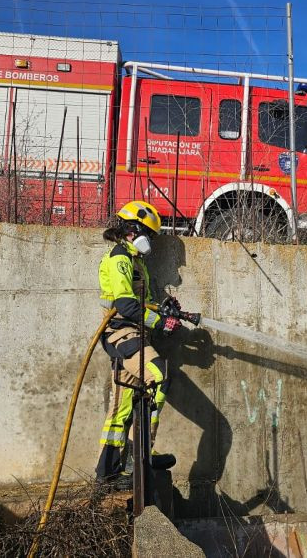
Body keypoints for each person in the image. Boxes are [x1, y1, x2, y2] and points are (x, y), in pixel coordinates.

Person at [95, 200, 181, 490]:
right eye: (149, 235)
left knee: (120, 409)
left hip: (132, 334)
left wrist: (165, 310)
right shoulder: (120, 257)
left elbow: (141, 302)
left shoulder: (136, 262)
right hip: (122, 333)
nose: (151, 242)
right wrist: (159, 322)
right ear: (132, 231)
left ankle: (106, 475)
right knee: (159, 374)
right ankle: (141, 454)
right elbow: (126, 305)